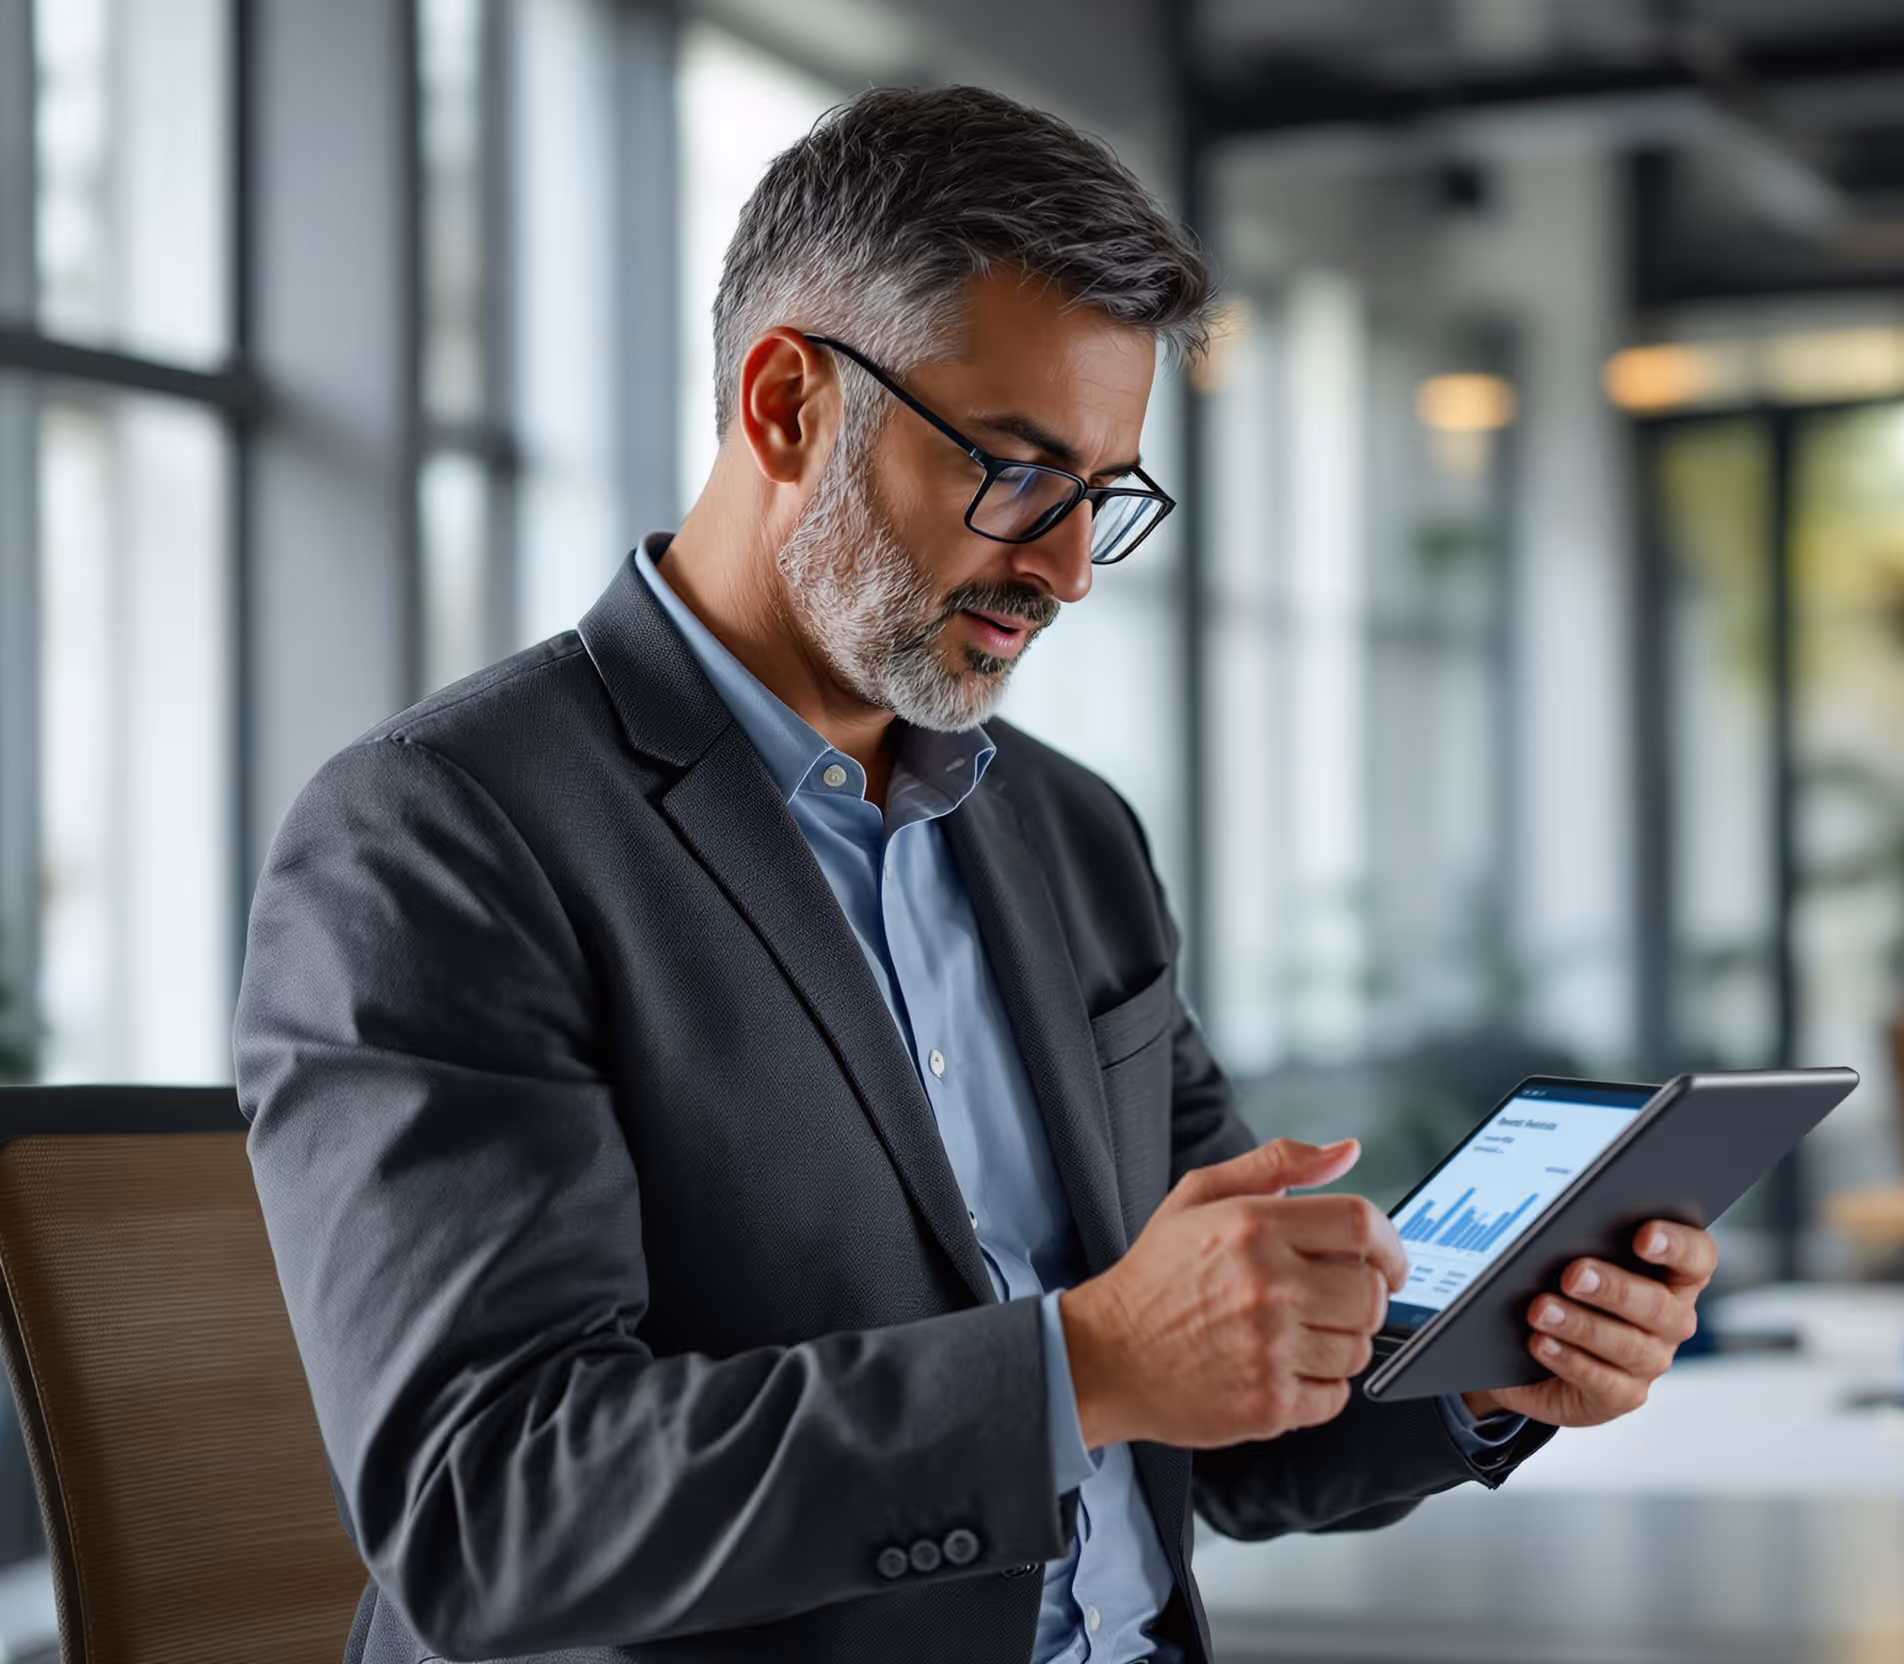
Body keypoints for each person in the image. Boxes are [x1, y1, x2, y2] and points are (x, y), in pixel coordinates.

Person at [235, 85, 1715, 1664]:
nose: (1070, 569)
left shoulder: (1069, 836)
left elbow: (1217, 1420)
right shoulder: (440, 835)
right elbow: (492, 1514)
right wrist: (1078, 1366)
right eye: (1017, 472)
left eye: (1105, 495)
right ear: (788, 404)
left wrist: (1482, 1364)